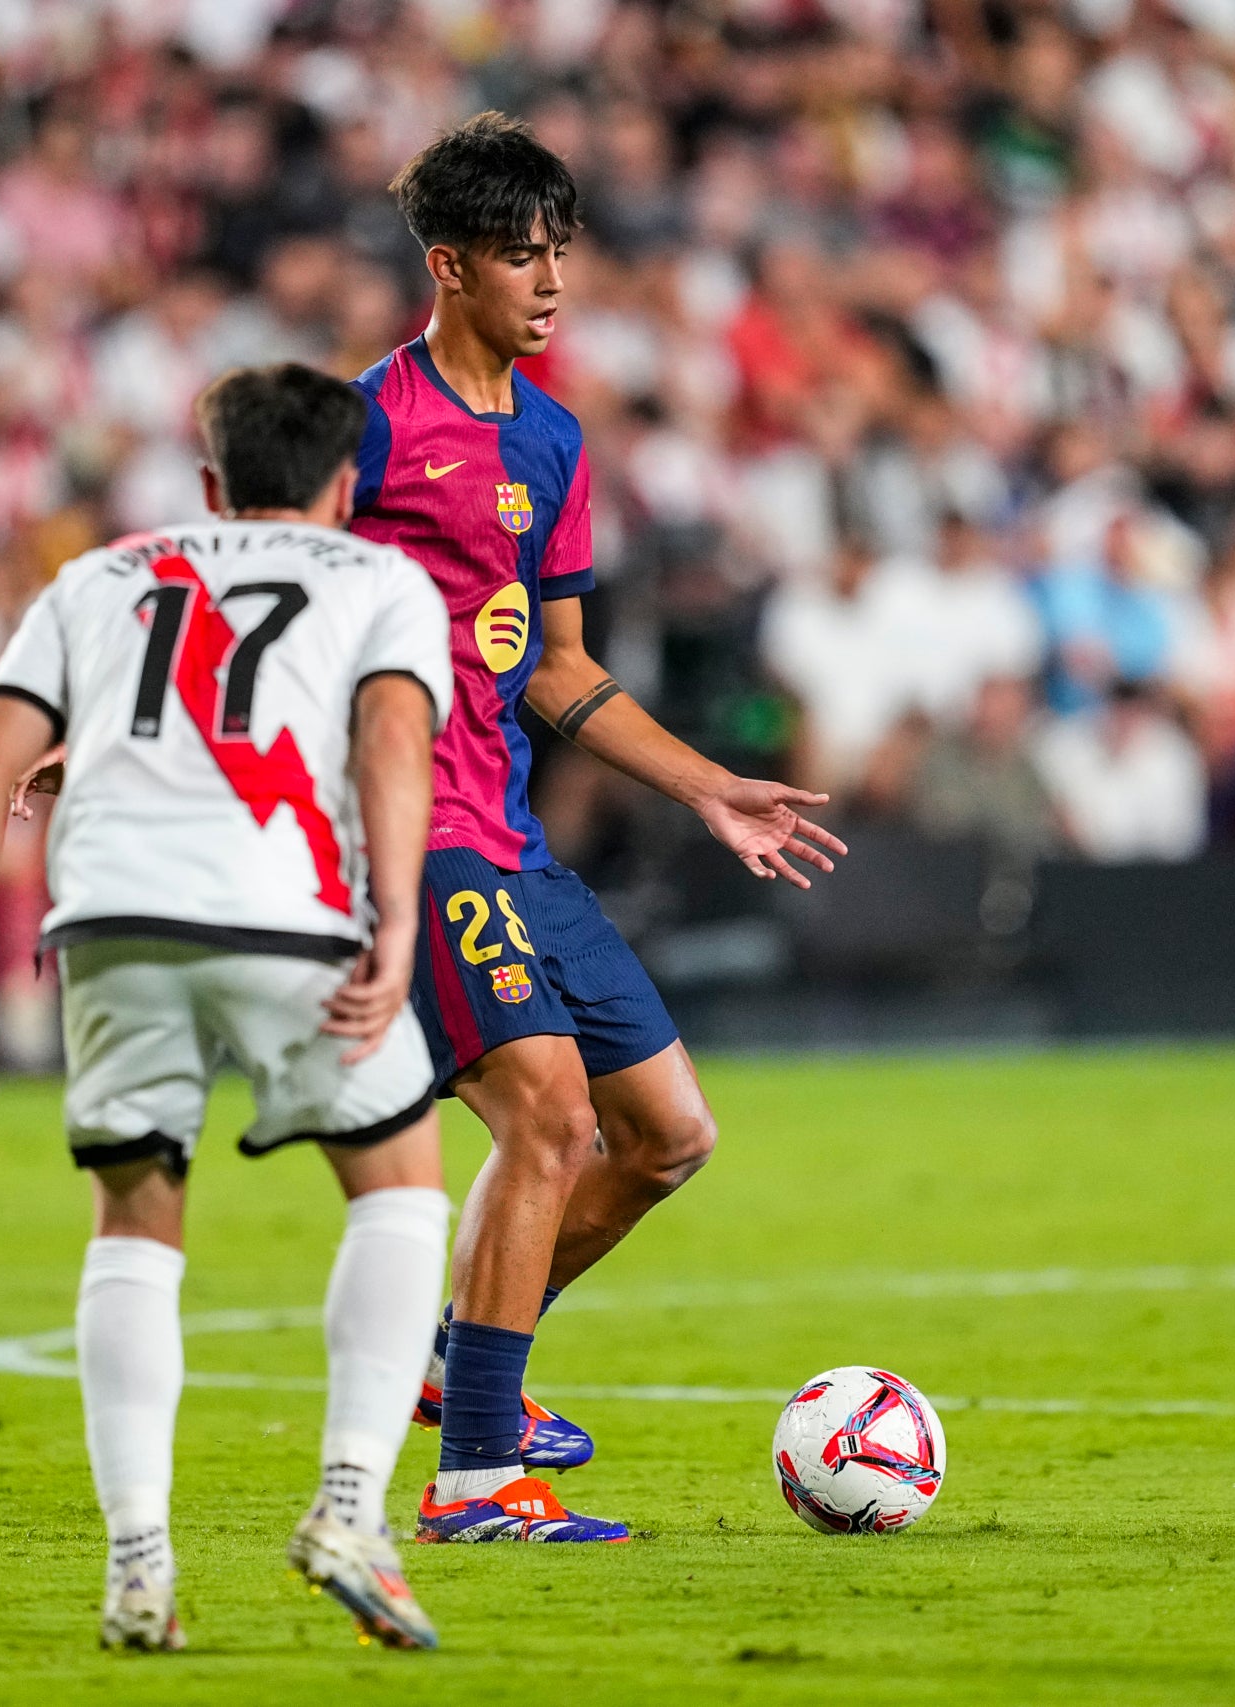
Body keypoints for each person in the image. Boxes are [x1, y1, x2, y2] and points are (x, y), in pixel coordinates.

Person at [0, 364, 456, 1652]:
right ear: (346, 484)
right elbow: (390, 742)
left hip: (108, 924)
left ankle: (138, 1569)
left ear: (212, 482)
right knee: (400, 1189)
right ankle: (349, 1510)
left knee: (135, 1226)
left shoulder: (97, 578)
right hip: (289, 917)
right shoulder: (382, 580)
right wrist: (395, 922)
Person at [349, 113, 847, 1543]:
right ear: (449, 266)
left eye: (559, 252)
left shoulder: (552, 441)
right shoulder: (367, 427)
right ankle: (474, 1477)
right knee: (547, 1114)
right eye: (522, 256)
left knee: (667, 1135)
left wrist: (706, 784)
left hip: (508, 836)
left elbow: (558, 670)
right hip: (407, 833)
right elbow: (254, 590)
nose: (553, 281)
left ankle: (455, 1362)